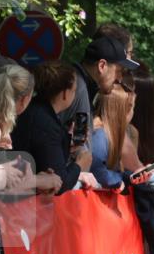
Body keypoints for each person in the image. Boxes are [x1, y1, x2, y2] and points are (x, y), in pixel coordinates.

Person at [12, 60, 93, 193]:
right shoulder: (47, 124)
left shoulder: (33, 109)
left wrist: (67, 142)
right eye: (74, 90)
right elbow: (60, 182)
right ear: (65, 93)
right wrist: (79, 165)